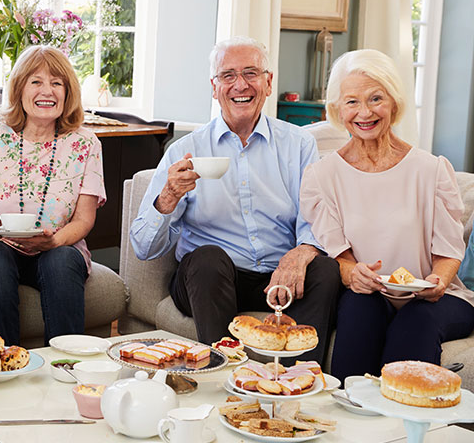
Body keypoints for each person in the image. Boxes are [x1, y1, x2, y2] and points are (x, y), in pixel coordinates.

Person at [130, 36, 340, 365]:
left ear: (268, 83)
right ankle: (226, 374)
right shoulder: (187, 151)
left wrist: (302, 252)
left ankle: (297, 377)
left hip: (277, 279)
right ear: (214, 88)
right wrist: (168, 196)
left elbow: (316, 218)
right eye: (228, 75)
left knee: (324, 269)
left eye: (251, 73)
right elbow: (143, 247)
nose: (240, 85)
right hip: (208, 279)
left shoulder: (298, 145)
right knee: (208, 258)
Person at [300, 48, 474, 380]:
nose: (364, 112)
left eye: (375, 98)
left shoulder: (431, 170)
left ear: (394, 102)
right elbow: (341, 258)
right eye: (352, 102)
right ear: (338, 109)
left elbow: (448, 254)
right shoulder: (323, 177)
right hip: (369, 292)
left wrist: (438, 281)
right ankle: (351, 417)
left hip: (436, 298)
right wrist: (352, 274)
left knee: (417, 319)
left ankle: (402, 424)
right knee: (357, 310)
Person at [0, 45, 105, 346]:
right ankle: (2, 360)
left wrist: (55, 240)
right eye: (35, 81)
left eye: (56, 83)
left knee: (60, 260)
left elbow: (84, 219)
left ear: (68, 92)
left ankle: (67, 366)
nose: (46, 91)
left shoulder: (86, 143)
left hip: (58, 248)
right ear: (19, 89)